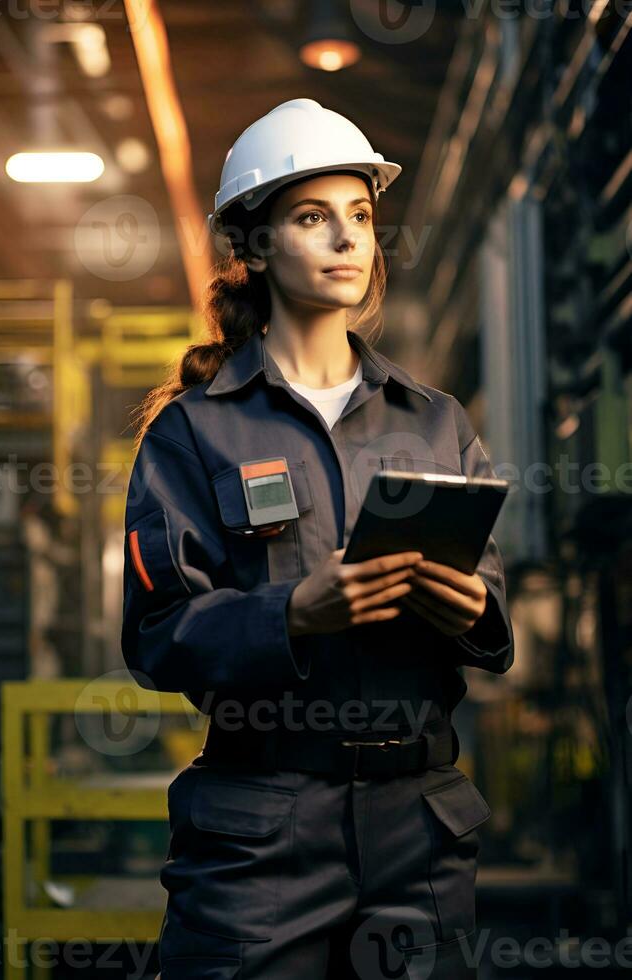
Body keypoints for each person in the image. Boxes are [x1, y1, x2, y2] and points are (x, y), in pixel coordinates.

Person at [121, 98, 514, 980]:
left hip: (419, 828)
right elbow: (154, 637)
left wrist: (474, 609)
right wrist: (291, 614)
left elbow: (493, 612)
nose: (347, 240)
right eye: (312, 218)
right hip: (262, 839)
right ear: (254, 248)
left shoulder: (437, 421)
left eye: (362, 218)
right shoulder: (193, 433)